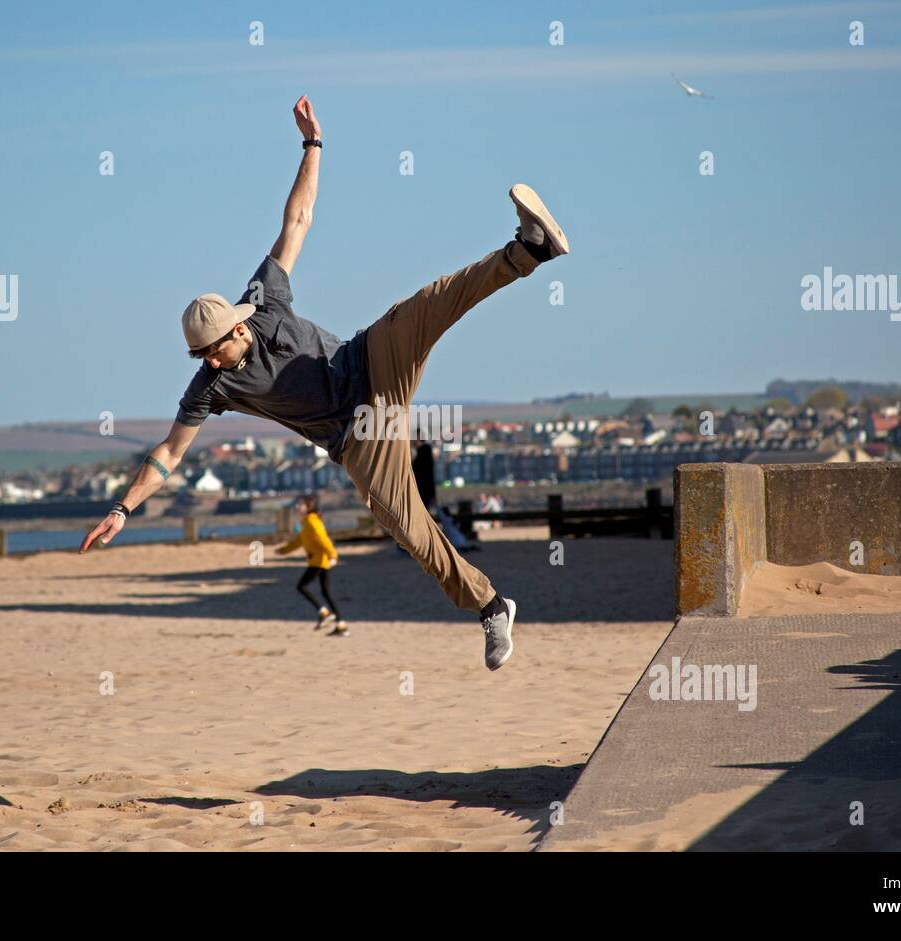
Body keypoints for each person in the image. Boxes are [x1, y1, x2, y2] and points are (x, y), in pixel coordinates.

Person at [80, 94, 569, 671]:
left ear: (238, 326)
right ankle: (490, 607)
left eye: (216, 349)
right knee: (405, 523)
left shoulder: (262, 302)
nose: (211, 362)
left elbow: (297, 219)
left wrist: (312, 145)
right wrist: (124, 507)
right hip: (357, 434)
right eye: (202, 356)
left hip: (371, 362)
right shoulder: (209, 389)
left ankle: (528, 250)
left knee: (429, 303)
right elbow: (167, 454)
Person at [276, 493, 347, 636]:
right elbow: (298, 542)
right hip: (319, 561)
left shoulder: (312, 523)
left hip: (319, 562)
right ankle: (341, 625)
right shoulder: (306, 522)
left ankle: (324, 612)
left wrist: (333, 555)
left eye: (300, 504)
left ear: (308, 507)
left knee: (301, 586)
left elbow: (324, 540)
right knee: (326, 593)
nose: (297, 506)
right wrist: (282, 551)